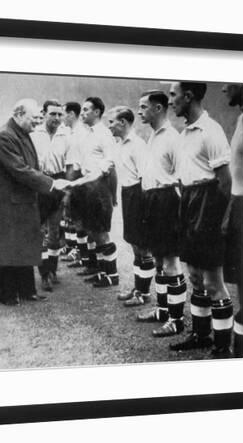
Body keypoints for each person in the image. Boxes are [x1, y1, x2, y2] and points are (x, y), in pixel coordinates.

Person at [168, 81, 233, 356]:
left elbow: (225, 182)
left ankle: (222, 346)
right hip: (189, 202)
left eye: (174, 94)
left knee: (213, 281)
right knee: (194, 275)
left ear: (189, 96)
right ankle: (201, 334)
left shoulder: (211, 130)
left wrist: (219, 219)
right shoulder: (185, 133)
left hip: (208, 204)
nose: (171, 100)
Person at [0, 98, 69, 305]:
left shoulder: (21, 132)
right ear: (20, 114)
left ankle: (26, 290)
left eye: (39, 118)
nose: (37, 123)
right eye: (34, 118)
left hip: (23, 200)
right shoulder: (5, 136)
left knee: (25, 246)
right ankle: (5, 293)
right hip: (10, 203)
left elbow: (31, 165)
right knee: (11, 248)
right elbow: (19, 169)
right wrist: (50, 183)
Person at [131, 91, 186, 338]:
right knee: (159, 260)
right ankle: (163, 310)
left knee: (171, 262)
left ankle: (176, 320)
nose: (140, 111)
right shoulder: (153, 135)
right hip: (151, 200)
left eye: (144, 107)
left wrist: (177, 208)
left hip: (167, 201)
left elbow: (183, 177)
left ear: (158, 108)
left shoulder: (173, 137)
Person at [106, 106, 157, 309]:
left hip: (140, 194)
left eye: (112, 122)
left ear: (124, 123)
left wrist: (144, 207)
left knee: (143, 247)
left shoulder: (137, 145)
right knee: (135, 245)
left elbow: (146, 177)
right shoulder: (120, 144)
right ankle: (139, 289)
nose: (109, 125)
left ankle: (144, 293)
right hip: (128, 194)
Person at [66, 97, 119, 288]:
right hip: (86, 185)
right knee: (91, 230)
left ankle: (112, 274)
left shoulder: (104, 134)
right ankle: (100, 270)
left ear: (97, 112)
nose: (83, 113)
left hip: (99, 185)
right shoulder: (85, 134)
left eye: (87, 109)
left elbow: (109, 162)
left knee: (101, 232)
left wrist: (109, 193)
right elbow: (80, 161)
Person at [30, 99, 72, 291]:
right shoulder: (33, 133)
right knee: (39, 232)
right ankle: (44, 273)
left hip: (58, 182)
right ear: (44, 113)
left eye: (59, 114)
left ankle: (52, 270)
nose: (56, 118)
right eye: (52, 114)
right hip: (39, 182)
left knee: (54, 232)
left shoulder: (66, 134)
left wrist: (67, 191)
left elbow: (70, 165)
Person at [221, 83, 243, 358]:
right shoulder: (241, 117)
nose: (224, 86)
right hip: (238, 206)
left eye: (231, 81)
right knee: (242, 287)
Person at [61, 101, 87, 264]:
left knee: (79, 217)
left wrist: (70, 184)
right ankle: (77, 249)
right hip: (71, 174)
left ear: (71, 114)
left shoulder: (80, 133)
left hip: (77, 176)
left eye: (63, 113)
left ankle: (81, 252)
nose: (62, 117)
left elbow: (76, 162)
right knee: (72, 215)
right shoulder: (71, 132)